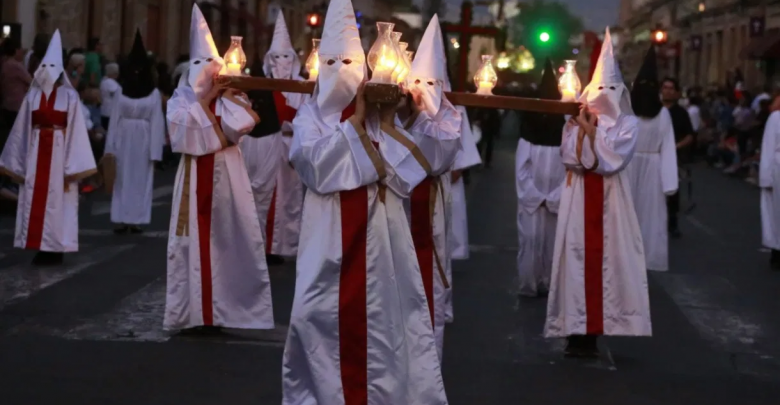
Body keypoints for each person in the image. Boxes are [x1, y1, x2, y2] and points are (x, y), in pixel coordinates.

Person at [282, 0, 447, 402]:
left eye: (350, 62)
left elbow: (411, 169)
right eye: (332, 61)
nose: (341, 70)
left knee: (383, 320)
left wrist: (390, 119)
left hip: (379, 232)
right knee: (315, 315)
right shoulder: (310, 118)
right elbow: (317, 168)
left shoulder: (379, 119)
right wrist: (355, 123)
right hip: (327, 232)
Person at [163, 4, 273, 333]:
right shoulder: (179, 101)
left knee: (226, 240)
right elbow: (183, 137)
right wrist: (208, 102)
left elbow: (239, 127)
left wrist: (221, 103)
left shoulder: (233, 98)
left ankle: (223, 310)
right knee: (191, 242)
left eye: (209, 64)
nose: (204, 71)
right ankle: (192, 312)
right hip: (193, 177)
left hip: (226, 176)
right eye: (197, 64)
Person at [544, 28, 651, 358]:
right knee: (574, 259)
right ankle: (573, 328)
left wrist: (591, 134)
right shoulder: (574, 120)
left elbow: (612, 162)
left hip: (610, 200)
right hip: (578, 197)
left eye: (609, 88)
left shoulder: (628, 125)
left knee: (607, 261)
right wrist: (583, 133)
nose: (603, 94)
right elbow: (570, 158)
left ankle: (596, 328)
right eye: (598, 87)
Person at [0, 30, 97, 265]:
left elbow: (75, 131)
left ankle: (56, 247)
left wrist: (73, 165)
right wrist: (17, 160)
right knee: (36, 200)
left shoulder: (69, 98)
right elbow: (22, 129)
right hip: (35, 154)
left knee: (57, 203)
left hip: (59, 156)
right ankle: (40, 246)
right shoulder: (32, 97)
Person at [400, 14, 462, 358]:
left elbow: (437, 156)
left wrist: (421, 116)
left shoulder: (451, 116)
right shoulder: (395, 113)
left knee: (427, 283)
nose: (425, 91)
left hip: (430, 204)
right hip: (397, 205)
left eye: (433, 83)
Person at [241, 12, 307, 265]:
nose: (282, 61)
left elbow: (307, 116)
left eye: (287, 56)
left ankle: (280, 244)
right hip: (265, 144)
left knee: (287, 198)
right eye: (277, 56)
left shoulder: (302, 85)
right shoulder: (263, 85)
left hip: (289, 146)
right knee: (260, 193)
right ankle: (258, 244)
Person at [104, 30, 166, 234]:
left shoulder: (152, 93)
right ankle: (123, 218)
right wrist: (110, 148)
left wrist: (155, 152)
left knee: (140, 179)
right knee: (123, 178)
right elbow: (115, 119)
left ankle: (136, 219)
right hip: (127, 137)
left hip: (140, 138)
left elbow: (157, 122)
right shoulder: (122, 91)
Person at [515, 58, 567, 297]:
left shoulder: (565, 131)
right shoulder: (530, 130)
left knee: (553, 241)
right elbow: (521, 168)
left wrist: (556, 196)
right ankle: (529, 282)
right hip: (533, 196)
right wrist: (536, 196)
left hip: (556, 193)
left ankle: (549, 282)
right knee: (531, 238)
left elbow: (570, 167)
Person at [625, 46, 678, 272]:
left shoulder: (627, 110)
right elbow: (667, 149)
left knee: (632, 215)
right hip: (650, 168)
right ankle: (638, 262)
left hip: (627, 166)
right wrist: (669, 184)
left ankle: (628, 260)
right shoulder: (662, 113)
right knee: (645, 217)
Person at [661, 77, 695, 237]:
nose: (668, 90)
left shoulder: (681, 113)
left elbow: (689, 135)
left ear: (676, 92)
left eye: (671, 88)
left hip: (674, 157)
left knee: (672, 190)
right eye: (665, 87)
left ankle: (672, 223)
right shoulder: (654, 110)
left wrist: (676, 147)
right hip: (655, 155)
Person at [760, 95, 780, 270]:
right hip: (778, 170)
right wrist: (765, 177)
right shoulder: (776, 118)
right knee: (776, 211)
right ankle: (777, 250)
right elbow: (768, 147)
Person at [100, 62, 120, 129]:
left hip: (108, 112)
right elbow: (116, 94)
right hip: (109, 113)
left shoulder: (105, 81)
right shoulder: (109, 82)